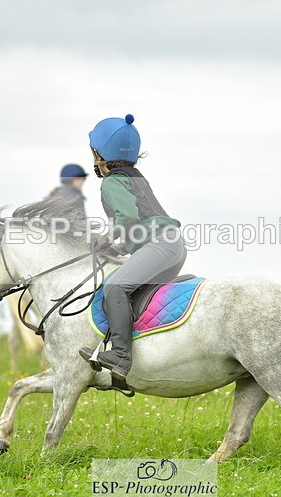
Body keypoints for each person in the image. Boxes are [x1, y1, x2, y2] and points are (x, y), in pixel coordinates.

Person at [79, 114, 187, 382]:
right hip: (172, 246)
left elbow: (126, 218)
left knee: (114, 288)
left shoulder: (112, 181)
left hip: (160, 245)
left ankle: (120, 355)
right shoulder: (135, 176)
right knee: (128, 287)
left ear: (99, 153)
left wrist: (107, 239)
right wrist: (124, 246)